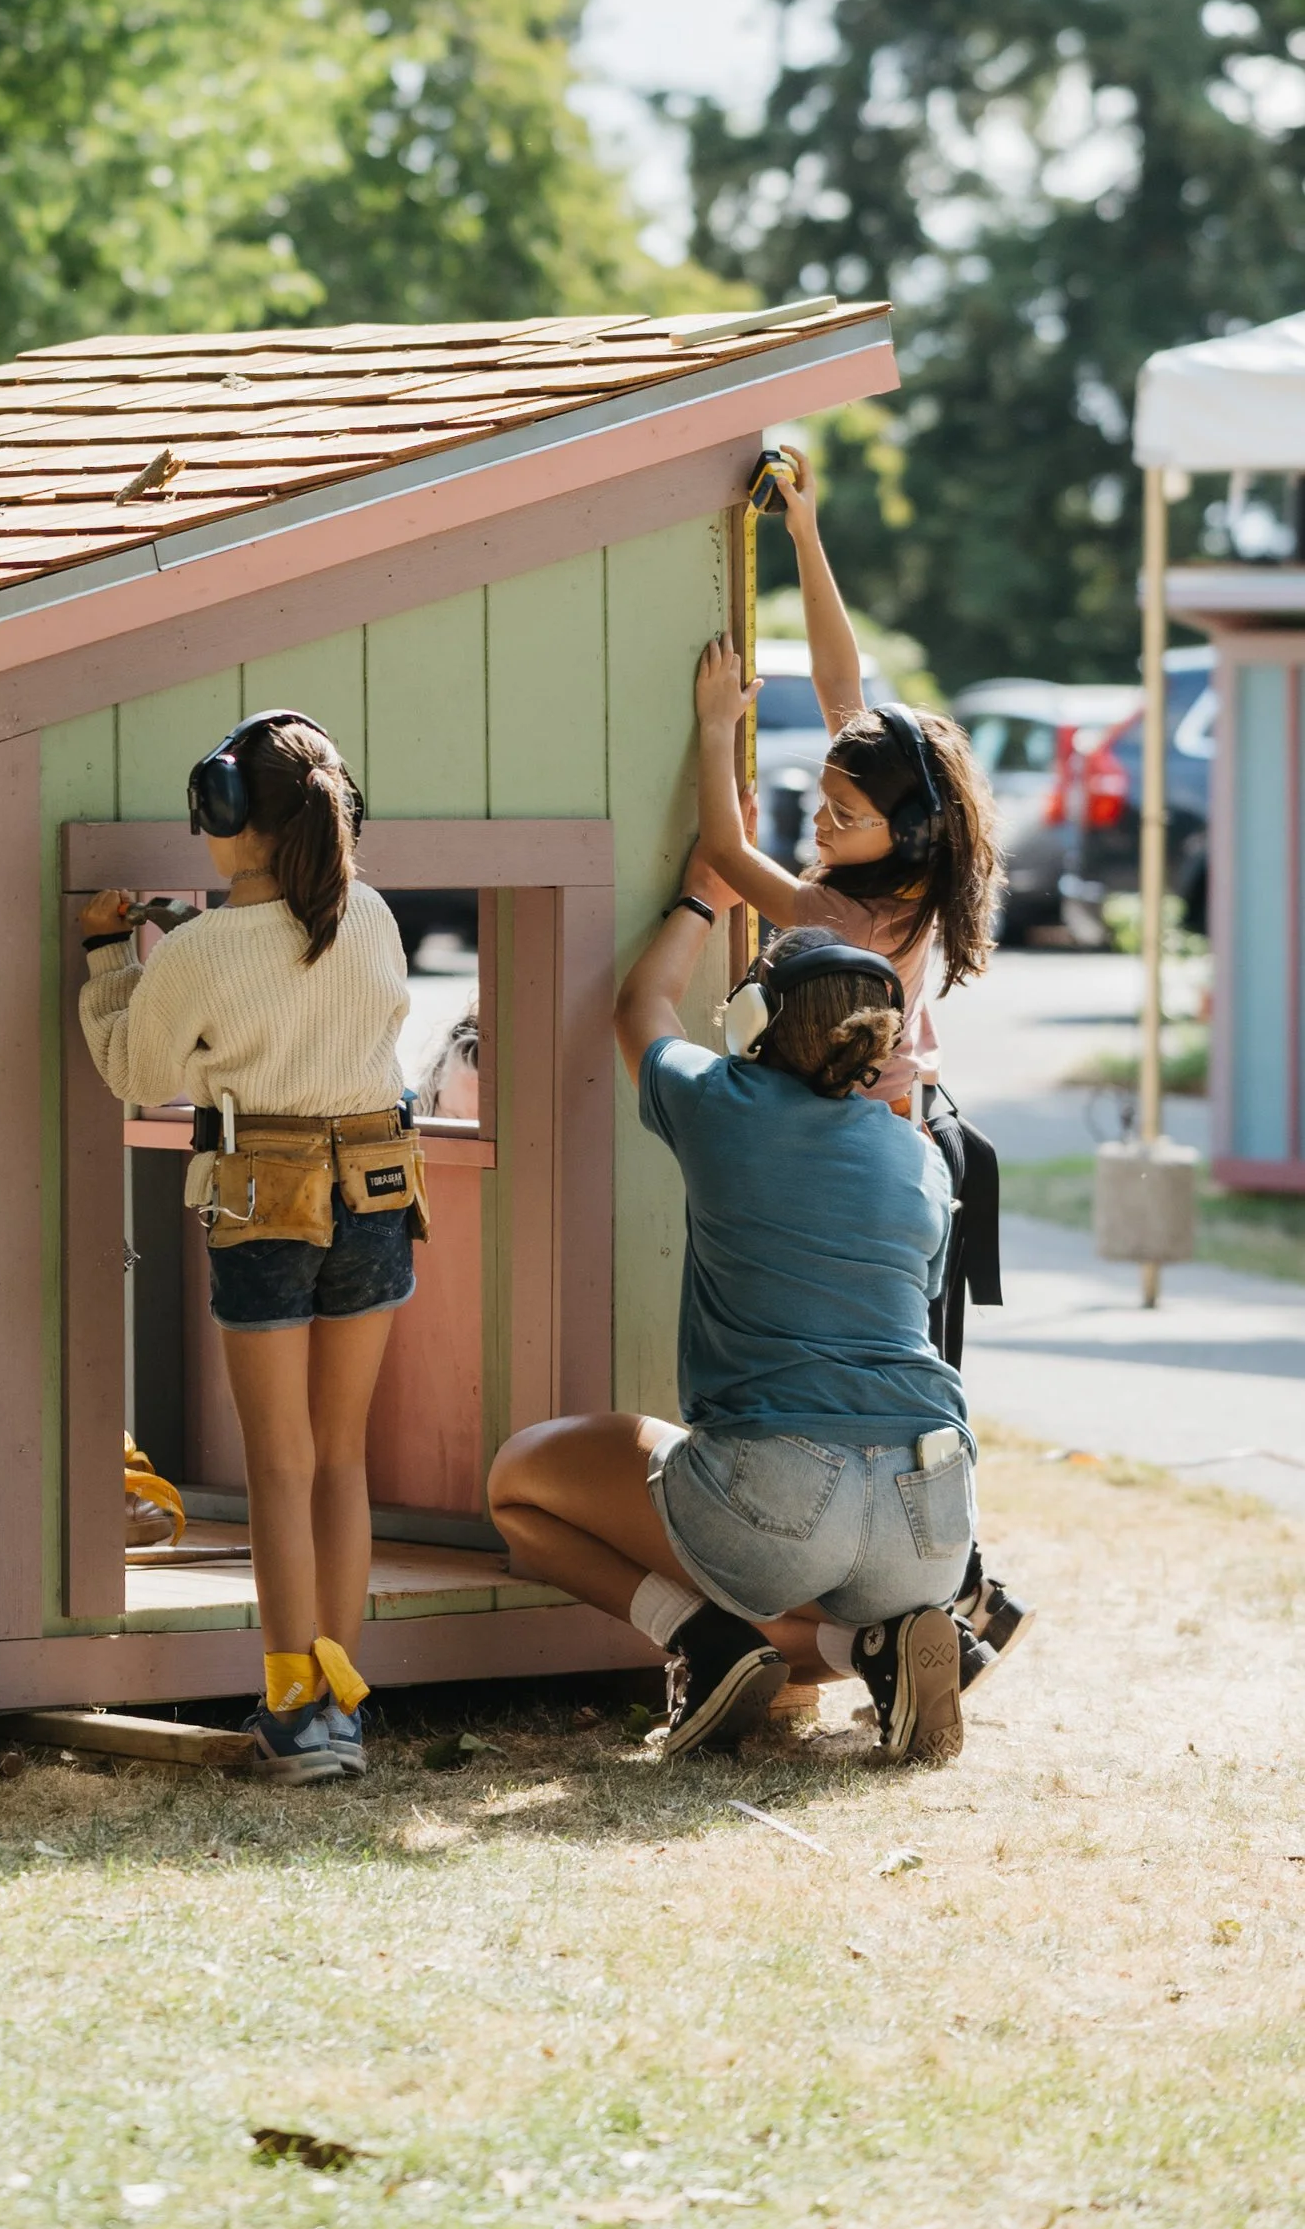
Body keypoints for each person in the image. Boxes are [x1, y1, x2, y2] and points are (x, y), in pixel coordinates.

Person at [685, 446, 1029, 1671]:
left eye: (838, 814)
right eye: (821, 804)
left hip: (875, 1144)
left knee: (884, 1374)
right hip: (914, 1143)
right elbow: (848, 691)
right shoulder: (911, 852)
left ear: (904, 828)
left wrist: (717, 730)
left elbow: (724, 855)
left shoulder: (849, 918)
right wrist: (806, 537)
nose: (820, 821)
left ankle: (939, 1601)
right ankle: (951, 1595)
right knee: (914, 1370)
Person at [489, 910, 976, 1766]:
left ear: (754, 1017)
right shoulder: (921, 1157)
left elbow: (641, 1006)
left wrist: (699, 898)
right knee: (823, 1580)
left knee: (517, 1484)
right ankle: (873, 1647)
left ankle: (704, 1642)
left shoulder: (720, 1101)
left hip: (781, 1496)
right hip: (930, 1521)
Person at [79, 708, 418, 1786]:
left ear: (224, 812)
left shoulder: (197, 948)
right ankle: (343, 1710)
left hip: (261, 1194)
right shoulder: (370, 916)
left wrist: (104, 955)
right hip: (373, 1184)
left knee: (276, 1466)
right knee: (339, 1459)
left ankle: (290, 1710)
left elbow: (137, 1069)